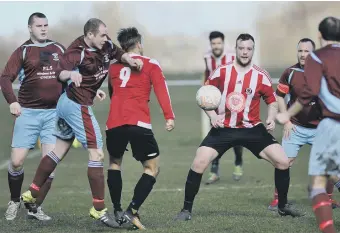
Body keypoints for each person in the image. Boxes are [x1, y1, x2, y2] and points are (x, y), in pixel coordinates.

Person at [20, 18, 143, 228]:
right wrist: (72, 75)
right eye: (102, 35)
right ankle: (98, 208)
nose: (107, 38)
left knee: (57, 151)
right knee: (97, 153)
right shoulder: (76, 51)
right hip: (77, 105)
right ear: (90, 35)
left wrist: (128, 59)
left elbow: (116, 53)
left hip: (68, 103)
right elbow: (61, 72)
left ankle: (31, 193)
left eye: (106, 34)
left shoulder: (106, 45)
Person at [174, 33, 304, 221]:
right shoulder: (221, 71)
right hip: (224, 128)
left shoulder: (261, 75)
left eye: (248, 49)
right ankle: (186, 210)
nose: (244, 52)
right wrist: (212, 116)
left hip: (252, 129)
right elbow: (203, 95)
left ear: (253, 50)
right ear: (235, 49)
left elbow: (272, 101)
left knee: (283, 161)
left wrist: (270, 118)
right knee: (199, 161)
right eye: (241, 48)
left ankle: (282, 206)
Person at [105, 27, 175, 230]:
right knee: (152, 168)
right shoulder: (151, 64)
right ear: (138, 44)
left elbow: (112, 91)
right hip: (138, 122)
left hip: (114, 121)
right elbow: (162, 90)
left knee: (115, 163)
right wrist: (169, 116)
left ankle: (117, 210)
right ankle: (131, 211)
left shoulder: (114, 67)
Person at [276, 16, 340, 233]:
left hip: (328, 125)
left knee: (318, 183)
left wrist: (286, 115)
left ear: (320, 36)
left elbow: (308, 94)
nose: (304, 55)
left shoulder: (318, 59)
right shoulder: (294, 70)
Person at [0, 12, 66, 221]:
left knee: (50, 164)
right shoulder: (23, 51)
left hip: (53, 114)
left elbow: (71, 74)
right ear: (30, 28)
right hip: (27, 113)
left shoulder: (58, 49)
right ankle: (14, 200)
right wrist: (13, 101)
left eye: (46, 25)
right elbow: (5, 78)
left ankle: (34, 207)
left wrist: (91, 91)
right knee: (17, 162)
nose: (43, 29)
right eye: (39, 26)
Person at [203, 31, 244, 184]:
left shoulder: (233, 56)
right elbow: (207, 74)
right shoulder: (207, 57)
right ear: (210, 44)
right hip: (215, 101)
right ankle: (214, 171)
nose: (216, 46)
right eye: (213, 43)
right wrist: (205, 93)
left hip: (233, 100)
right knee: (216, 135)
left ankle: (238, 162)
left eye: (219, 43)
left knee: (236, 137)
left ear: (223, 43)